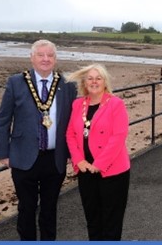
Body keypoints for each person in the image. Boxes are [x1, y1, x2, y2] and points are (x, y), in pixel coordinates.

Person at [0, 39, 77, 241]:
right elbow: (4, 119)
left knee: (50, 209)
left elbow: (73, 122)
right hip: (23, 157)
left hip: (55, 158)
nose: (45, 59)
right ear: (32, 58)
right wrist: (3, 152)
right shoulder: (16, 82)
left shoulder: (67, 84)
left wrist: (70, 152)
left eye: (50, 55)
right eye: (41, 55)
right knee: (26, 209)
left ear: (55, 59)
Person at [66, 63, 130, 241]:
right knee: (92, 220)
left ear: (105, 82)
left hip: (113, 172)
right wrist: (79, 161)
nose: (94, 82)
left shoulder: (116, 104)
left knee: (111, 222)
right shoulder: (78, 104)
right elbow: (70, 134)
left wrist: (98, 165)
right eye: (90, 78)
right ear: (84, 83)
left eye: (98, 78)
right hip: (85, 170)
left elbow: (119, 136)